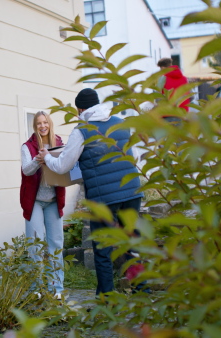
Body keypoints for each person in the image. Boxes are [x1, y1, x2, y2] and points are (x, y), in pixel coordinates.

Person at [39, 88, 143, 295]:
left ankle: (106, 298)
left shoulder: (82, 130)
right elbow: (137, 158)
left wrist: (46, 158)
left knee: (103, 249)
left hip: (104, 198)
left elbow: (62, 166)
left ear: (80, 109)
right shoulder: (121, 123)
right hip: (132, 192)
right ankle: (144, 291)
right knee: (133, 243)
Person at [20, 111, 66, 299]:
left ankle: (56, 289)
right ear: (35, 126)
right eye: (38, 123)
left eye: (45, 122)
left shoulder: (59, 143)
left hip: (54, 201)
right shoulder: (27, 146)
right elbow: (26, 170)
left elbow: (65, 166)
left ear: (50, 123)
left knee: (56, 244)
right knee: (35, 245)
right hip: (35, 202)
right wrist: (39, 159)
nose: (42, 126)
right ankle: (36, 289)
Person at [157, 57, 191, 122]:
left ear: (163, 68)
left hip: (168, 114)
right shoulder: (184, 79)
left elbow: (158, 97)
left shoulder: (162, 79)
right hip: (182, 114)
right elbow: (189, 95)